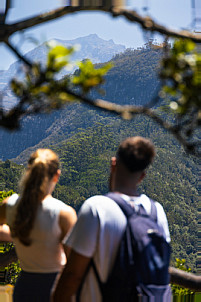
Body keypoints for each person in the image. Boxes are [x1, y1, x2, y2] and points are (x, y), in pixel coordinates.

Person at [52, 136, 171, 302]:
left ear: (113, 164)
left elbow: (72, 276)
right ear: (142, 176)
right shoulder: (157, 211)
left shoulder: (96, 208)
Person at [0, 148, 77, 302]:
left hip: (24, 287)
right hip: (54, 288)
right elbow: (73, 267)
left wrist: (17, 234)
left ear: (28, 171)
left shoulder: (9, 204)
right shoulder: (63, 213)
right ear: (57, 175)